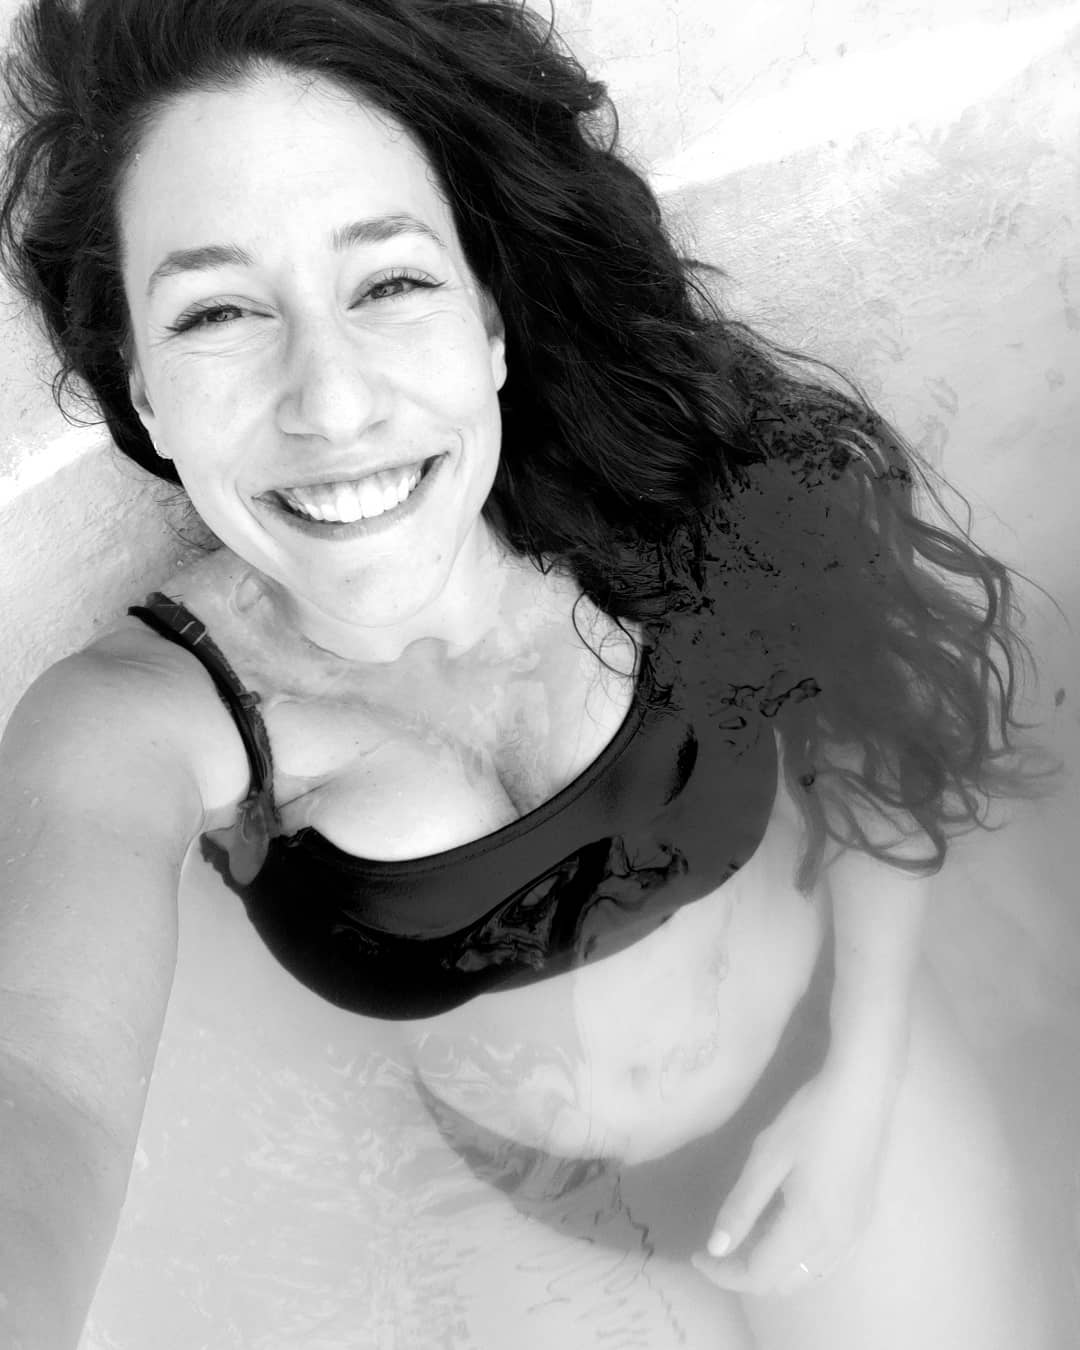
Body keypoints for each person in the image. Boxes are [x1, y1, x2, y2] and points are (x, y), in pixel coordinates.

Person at [0, 0, 1065, 1346]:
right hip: (539, 1208)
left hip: (839, 1067)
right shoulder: (140, 723)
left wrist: (862, 1076)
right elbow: (40, 1084)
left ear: (490, 321)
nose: (333, 402)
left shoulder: (657, 481)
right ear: (144, 389)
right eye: (216, 310)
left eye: (390, 283)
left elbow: (873, 735)